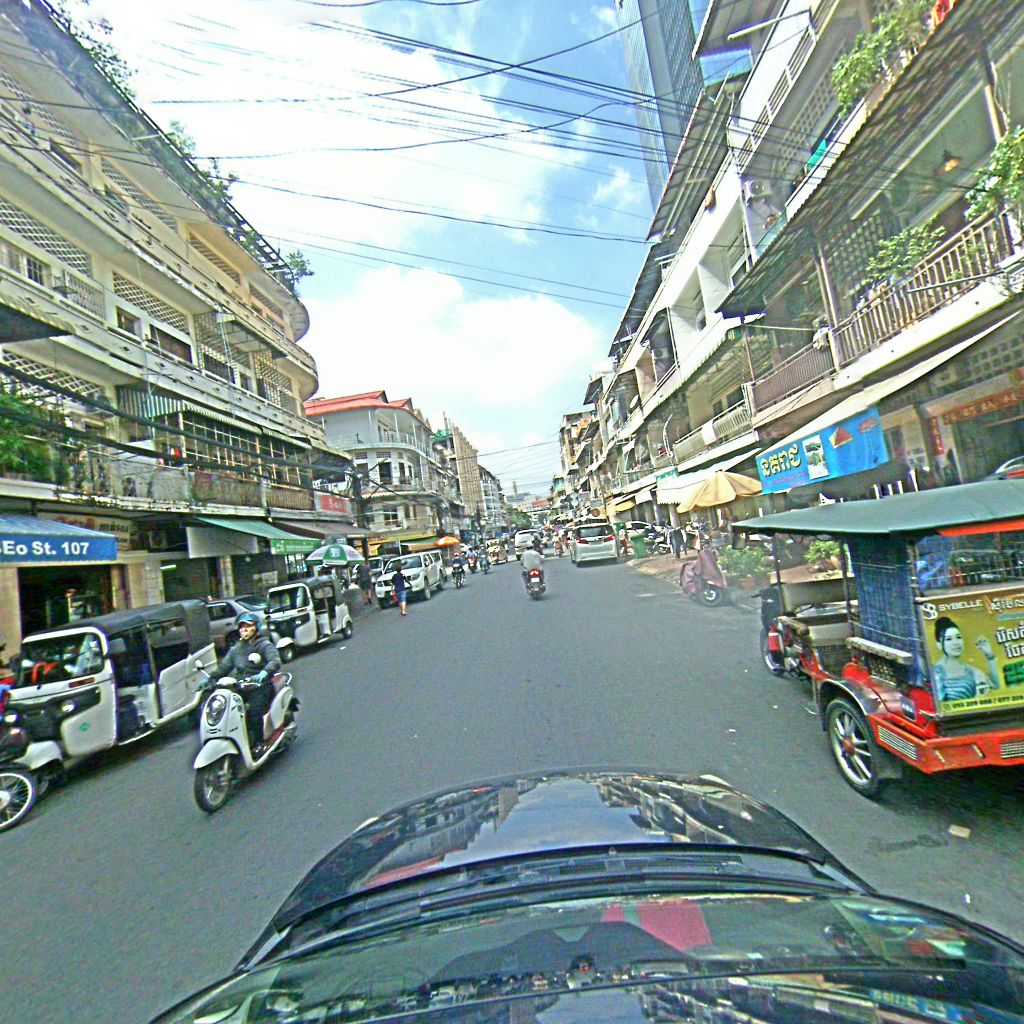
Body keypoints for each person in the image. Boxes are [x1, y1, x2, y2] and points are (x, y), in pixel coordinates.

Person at [212, 611, 281, 754]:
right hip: (240, 688)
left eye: (248, 626)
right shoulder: (236, 649)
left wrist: (264, 673)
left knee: (254, 711)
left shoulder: (264, 645)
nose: (245, 629)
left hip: (261, 687)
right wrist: (210, 678)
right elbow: (224, 667)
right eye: (242, 626)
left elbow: (274, 661)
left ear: (256, 627)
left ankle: (259, 743)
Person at [932, 616, 1000, 702]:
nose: (956, 643)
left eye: (958, 637)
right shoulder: (937, 672)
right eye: (949, 639)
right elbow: (939, 703)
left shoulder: (969, 670)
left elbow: (995, 685)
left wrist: (989, 655)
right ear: (939, 645)